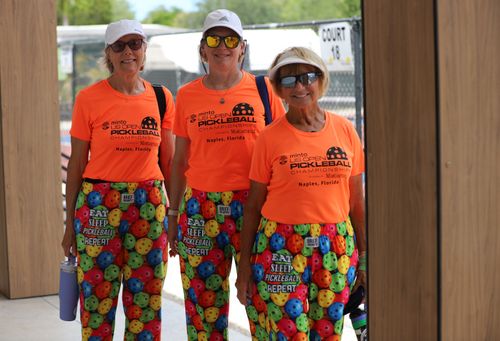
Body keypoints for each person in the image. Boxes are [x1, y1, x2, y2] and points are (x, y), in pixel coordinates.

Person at [167, 9, 286, 341]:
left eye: (230, 39)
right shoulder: (188, 95)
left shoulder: (265, 91)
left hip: (256, 207)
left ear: (242, 47)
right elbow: (179, 161)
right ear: (203, 48)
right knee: (203, 311)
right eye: (214, 39)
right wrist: (174, 212)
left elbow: (280, 153)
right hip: (199, 211)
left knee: (263, 304)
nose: (223, 46)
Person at [236, 46, 367, 340]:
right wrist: (243, 268)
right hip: (280, 247)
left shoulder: (345, 130)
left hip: (336, 247)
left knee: (328, 333)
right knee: (288, 334)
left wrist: (366, 258)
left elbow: (356, 203)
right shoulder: (268, 138)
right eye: (288, 80)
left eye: (307, 76)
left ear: (320, 80)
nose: (299, 86)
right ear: (278, 90)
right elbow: (254, 206)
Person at [60, 19, 175, 340]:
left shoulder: (162, 97)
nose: (128, 52)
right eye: (119, 46)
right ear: (108, 54)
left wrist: (176, 214)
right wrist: (69, 224)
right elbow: (77, 164)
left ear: (144, 50)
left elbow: (169, 162)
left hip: (149, 207)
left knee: (146, 303)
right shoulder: (89, 98)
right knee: (97, 302)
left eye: (135, 44)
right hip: (98, 206)